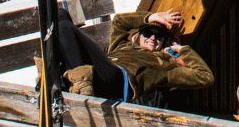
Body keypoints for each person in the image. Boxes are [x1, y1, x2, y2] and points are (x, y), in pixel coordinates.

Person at [59, 8, 215, 107]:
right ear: (139, 35)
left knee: (65, 28)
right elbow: (119, 21)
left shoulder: (165, 64)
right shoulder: (122, 45)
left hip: (117, 81)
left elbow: (205, 76)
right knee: (60, 15)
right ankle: (60, 80)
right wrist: (150, 17)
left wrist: (182, 50)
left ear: (164, 41)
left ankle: (75, 86)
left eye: (159, 36)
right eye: (148, 33)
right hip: (98, 71)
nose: (153, 38)